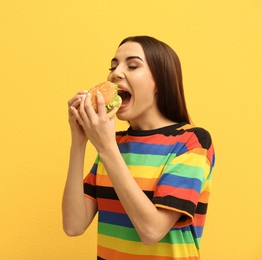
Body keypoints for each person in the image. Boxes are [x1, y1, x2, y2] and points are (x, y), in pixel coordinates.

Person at [62, 35, 215, 260]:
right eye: (113, 67)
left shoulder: (191, 141)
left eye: (132, 66)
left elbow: (152, 231)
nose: (115, 73)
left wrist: (106, 147)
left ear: (161, 82)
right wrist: (79, 141)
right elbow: (73, 225)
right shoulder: (113, 145)